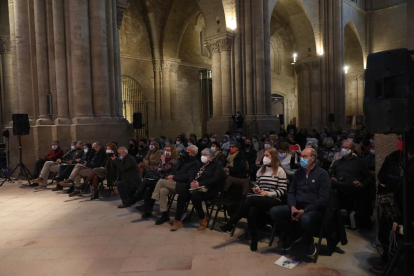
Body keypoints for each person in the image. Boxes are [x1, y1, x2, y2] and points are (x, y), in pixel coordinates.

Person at [220, 148, 287, 251]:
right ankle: (254, 239)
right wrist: (257, 189)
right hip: (260, 198)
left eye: (267, 155)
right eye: (264, 155)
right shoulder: (261, 170)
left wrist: (268, 193)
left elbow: (282, 190)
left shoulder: (279, 171)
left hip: (273, 199)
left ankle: (232, 223)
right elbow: (258, 185)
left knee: (250, 201)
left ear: (273, 157)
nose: (264, 158)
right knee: (252, 210)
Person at [269, 148, 331, 256]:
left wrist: (305, 210)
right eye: (301, 156)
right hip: (297, 205)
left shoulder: (322, 174)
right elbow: (291, 192)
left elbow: (323, 198)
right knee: (274, 211)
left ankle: (308, 240)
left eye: (305, 156)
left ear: (313, 158)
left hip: (313, 208)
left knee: (305, 219)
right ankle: (292, 234)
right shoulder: (298, 172)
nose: (301, 159)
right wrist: (292, 206)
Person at [150, 145, 199, 230]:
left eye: (188, 150)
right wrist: (171, 176)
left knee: (161, 181)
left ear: (192, 153)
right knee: (162, 191)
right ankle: (164, 215)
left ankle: (153, 198)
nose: (186, 150)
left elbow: (188, 177)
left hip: (183, 185)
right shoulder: (182, 159)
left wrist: (174, 177)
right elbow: (174, 170)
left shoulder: (195, 163)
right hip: (175, 182)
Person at [127, 144, 179, 210]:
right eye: (165, 150)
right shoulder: (162, 158)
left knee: (146, 181)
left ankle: (135, 198)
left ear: (172, 151)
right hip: (157, 177)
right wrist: (154, 166)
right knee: (148, 188)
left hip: (165, 179)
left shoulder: (174, 160)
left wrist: (163, 162)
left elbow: (166, 168)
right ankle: (147, 208)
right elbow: (156, 167)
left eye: (168, 150)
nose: (166, 151)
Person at [189, 148, 226, 231]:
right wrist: (192, 182)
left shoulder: (217, 165)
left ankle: (202, 218)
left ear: (210, 156)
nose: (202, 157)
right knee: (184, 191)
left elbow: (215, 179)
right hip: (198, 186)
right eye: (202, 155)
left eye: (205, 155)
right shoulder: (201, 164)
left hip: (211, 189)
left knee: (195, 196)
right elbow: (193, 173)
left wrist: (200, 183)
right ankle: (179, 217)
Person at [329, 141, 371, 212]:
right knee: (331, 184)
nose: (343, 149)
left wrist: (362, 184)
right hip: (339, 186)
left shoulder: (359, 162)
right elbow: (331, 175)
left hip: (352, 187)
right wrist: (332, 178)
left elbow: (368, 177)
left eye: (346, 147)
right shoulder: (337, 162)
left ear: (352, 150)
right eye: (342, 147)